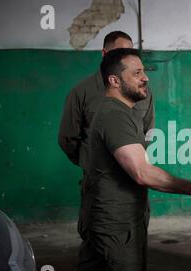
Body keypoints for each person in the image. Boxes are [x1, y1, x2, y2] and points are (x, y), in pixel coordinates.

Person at [76, 48, 191, 271]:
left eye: (144, 72)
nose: (145, 78)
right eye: (137, 73)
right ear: (114, 80)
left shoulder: (118, 112)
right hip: (115, 228)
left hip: (117, 223)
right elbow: (141, 172)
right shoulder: (114, 115)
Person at [58, 31, 155, 240]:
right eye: (120, 52)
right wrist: (94, 161)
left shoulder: (142, 91)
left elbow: (148, 131)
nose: (125, 57)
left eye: (129, 52)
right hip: (102, 191)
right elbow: (68, 139)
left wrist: (136, 160)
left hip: (135, 187)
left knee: (133, 247)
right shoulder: (82, 92)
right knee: (102, 249)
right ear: (104, 54)